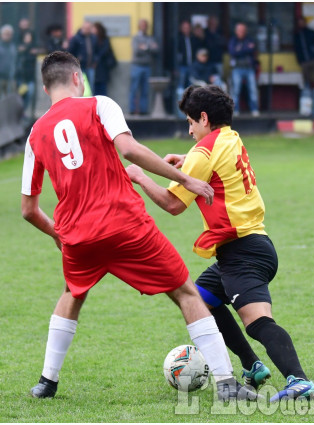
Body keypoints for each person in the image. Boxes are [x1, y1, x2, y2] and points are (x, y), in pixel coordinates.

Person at [21, 51, 257, 402]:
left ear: (45, 88)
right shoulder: (99, 104)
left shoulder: (35, 133)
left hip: (78, 236)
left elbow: (28, 210)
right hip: (124, 224)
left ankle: (46, 382)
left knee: (73, 293)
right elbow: (128, 149)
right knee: (186, 293)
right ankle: (225, 384)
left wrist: (59, 234)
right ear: (77, 78)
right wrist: (184, 179)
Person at [125, 85, 314, 402]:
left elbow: (173, 205)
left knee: (257, 322)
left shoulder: (203, 152)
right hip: (248, 245)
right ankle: (252, 365)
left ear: (204, 118)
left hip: (243, 251)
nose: (189, 130)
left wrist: (140, 176)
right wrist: (187, 159)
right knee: (201, 299)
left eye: (190, 122)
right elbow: (217, 161)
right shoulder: (230, 137)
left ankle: (299, 380)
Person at [228, 23, 259, 116]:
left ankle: (254, 109)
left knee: (252, 89)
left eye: (243, 30)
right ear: (236, 31)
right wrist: (245, 49)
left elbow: (252, 50)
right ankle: (235, 109)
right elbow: (232, 52)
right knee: (236, 90)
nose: (241, 32)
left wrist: (240, 50)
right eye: (239, 30)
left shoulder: (250, 39)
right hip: (237, 68)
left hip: (249, 68)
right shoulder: (233, 40)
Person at [129, 19, 158, 115]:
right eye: (142, 25)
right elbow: (137, 50)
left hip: (147, 67)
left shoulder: (150, 38)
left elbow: (156, 49)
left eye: (145, 25)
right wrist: (149, 48)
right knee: (134, 89)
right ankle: (132, 110)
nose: (144, 27)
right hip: (137, 66)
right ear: (139, 26)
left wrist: (145, 47)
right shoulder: (136, 38)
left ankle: (143, 110)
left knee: (145, 90)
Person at [293, 16, 314, 89]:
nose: (301, 25)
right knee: (306, 82)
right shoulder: (296, 35)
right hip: (304, 60)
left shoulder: (310, 32)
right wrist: (299, 60)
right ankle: (308, 96)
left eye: (302, 23)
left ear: (305, 23)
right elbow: (296, 49)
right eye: (299, 23)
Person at [16, 31, 40, 116]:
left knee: (30, 94)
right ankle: (21, 112)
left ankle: (25, 111)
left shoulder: (33, 49)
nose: (28, 39)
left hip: (30, 77)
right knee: (21, 96)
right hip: (22, 77)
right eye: (26, 37)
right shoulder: (20, 48)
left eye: (29, 37)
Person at [67, 19, 96, 88]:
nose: (87, 30)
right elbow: (70, 51)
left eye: (89, 28)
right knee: (80, 86)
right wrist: (77, 60)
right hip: (80, 67)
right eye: (85, 28)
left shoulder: (93, 38)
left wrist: (95, 60)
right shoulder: (76, 38)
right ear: (82, 28)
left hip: (90, 66)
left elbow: (96, 50)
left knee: (90, 86)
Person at [91, 22, 115, 96]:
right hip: (94, 67)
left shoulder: (104, 40)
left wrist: (96, 60)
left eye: (94, 29)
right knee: (94, 89)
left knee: (102, 90)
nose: (92, 30)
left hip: (102, 67)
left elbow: (103, 51)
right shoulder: (91, 39)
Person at [0, 24, 17, 99]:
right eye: (5, 34)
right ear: (1, 35)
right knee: (1, 99)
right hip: (0, 77)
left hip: (12, 77)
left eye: (9, 34)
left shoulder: (14, 47)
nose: (7, 36)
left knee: (11, 98)